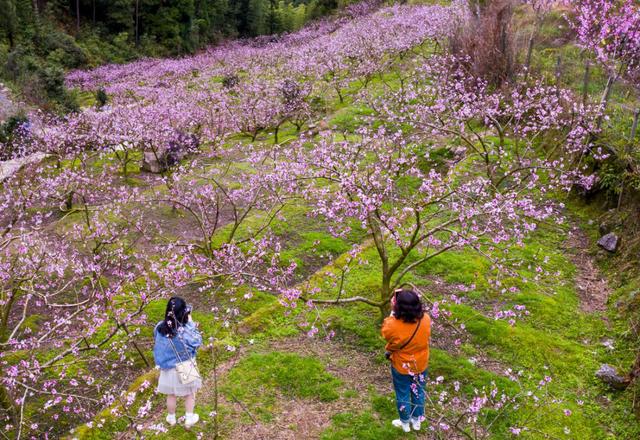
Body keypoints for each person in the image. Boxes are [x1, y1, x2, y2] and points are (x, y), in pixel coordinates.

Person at [381, 288, 431, 432]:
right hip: (421, 363)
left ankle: (404, 423)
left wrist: (392, 311)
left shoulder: (393, 324)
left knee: (402, 392)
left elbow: (385, 333)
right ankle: (417, 421)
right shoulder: (426, 319)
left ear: (398, 306)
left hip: (402, 365)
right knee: (419, 392)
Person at [153, 296, 203, 428]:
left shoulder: (159, 327)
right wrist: (191, 323)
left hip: (168, 368)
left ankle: (171, 418)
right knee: (190, 393)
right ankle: (189, 418)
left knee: (171, 395)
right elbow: (197, 342)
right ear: (183, 313)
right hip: (185, 366)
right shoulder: (185, 330)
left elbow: (157, 340)